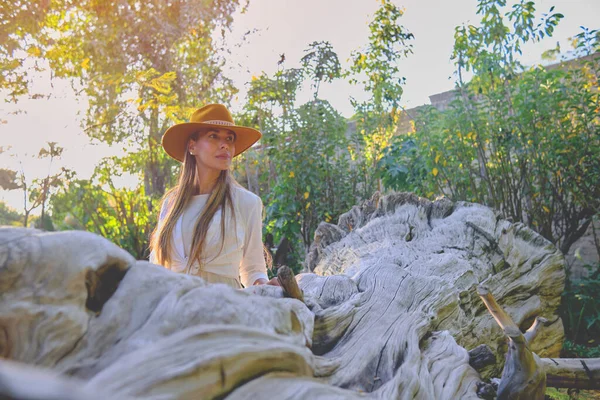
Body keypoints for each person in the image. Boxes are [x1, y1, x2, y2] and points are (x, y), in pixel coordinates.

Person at [149, 103, 276, 289]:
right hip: (174, 309)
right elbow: (157, 267)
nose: (224, 144)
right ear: (192, 146)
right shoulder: (171, 203)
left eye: (230, 138)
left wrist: (265, 285)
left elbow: (253, 268)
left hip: (224, 310)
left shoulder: (247, 203)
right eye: (213, 136)